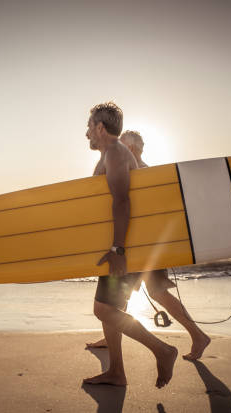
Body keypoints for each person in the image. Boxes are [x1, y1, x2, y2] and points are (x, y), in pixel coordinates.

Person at [86, 130, 211, 362]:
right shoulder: (149, 172)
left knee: (111, 301)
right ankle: (198, 335)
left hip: (132, 247)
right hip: (149, 247)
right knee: (157, 293)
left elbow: (98, 186)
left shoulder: (134, 171)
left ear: (130, 149)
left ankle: (191, 338)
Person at [82, 103, 177, 388]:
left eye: (89, 126)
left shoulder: (114, 152)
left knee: (103, 309)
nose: (86, 132)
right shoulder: (111, 154)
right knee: (111, 308)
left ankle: (163, 350)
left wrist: (118, 250)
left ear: (100, 128)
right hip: (121, 243)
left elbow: (122, 200)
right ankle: (117, 372)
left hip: (125, 246)